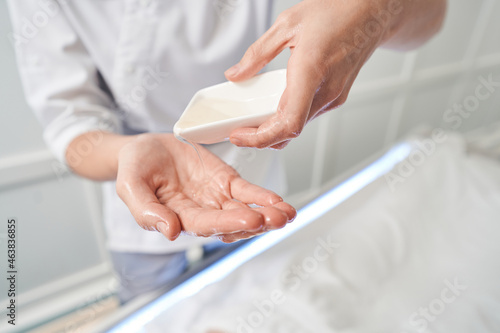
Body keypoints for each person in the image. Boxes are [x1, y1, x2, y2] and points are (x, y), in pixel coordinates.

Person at [7, 0, 446, 303]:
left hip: (248, 178)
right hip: (142, 185)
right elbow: (71, 121)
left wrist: (369, 13)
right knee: (146, 309)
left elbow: (432, 13)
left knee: (244, 296)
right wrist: (128, 154)